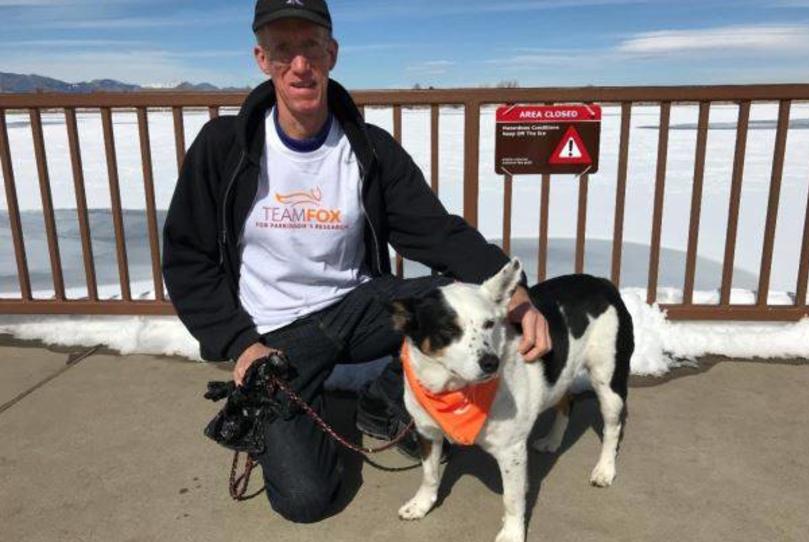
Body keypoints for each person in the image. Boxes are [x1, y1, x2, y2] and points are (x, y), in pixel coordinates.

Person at [162, 0, 551, 524]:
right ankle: (296, 405)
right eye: (283, 49)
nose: (299, 64)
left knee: (440, 297)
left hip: (356, 310)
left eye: (311, 47)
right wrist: (240, 344)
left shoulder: (369, 150)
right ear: (261, 58)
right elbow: (188, 260)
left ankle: (382, 401)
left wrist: (517, 294)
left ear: (332, 53)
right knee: (305, 500)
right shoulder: (221, 147)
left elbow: (436, 231)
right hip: (271, 338)